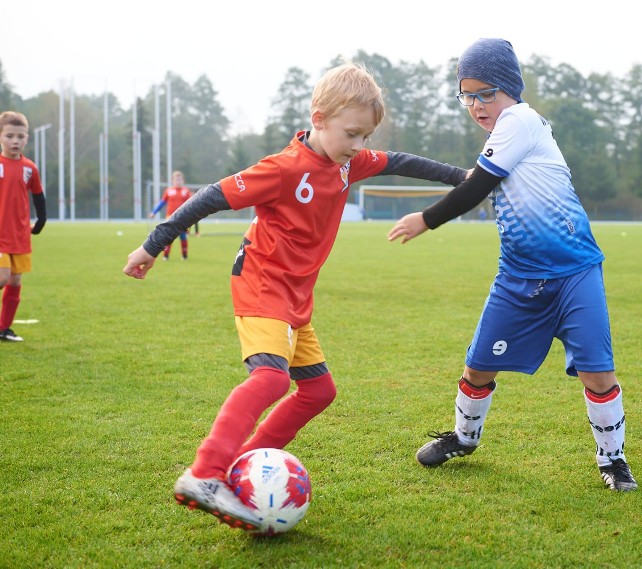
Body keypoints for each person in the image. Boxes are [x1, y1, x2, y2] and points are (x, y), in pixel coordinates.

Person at [123, 63, 468, 530]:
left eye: (365, 136)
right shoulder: (283, 168)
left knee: (319, 390)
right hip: (262, 282)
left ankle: (239, 466)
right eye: (351, 133)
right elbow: (211, 196)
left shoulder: (349, 163)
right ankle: (203, 474)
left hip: (295, 297)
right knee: (271, 380)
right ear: (319, 118)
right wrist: (152, 245)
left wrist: (464, 176)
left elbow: (402, 162)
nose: (358, 146)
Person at [388, 38, 638, 492]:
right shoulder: (506, 136)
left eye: (488, 93)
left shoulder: (519, 120)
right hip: (518, 277)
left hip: (574, 272)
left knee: (598, 372)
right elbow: (475, 178)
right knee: (478, 367)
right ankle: (464, 439)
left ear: (511, 89)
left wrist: (425, 219)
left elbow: (475, 188)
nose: (478, 104)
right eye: (468, 94)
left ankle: (613, 460)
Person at [0, 111, 46, 343]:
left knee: (15, 281)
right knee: (2, 277)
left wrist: (41, 220)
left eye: (20, 136)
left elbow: (38, 196)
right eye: (9, 136)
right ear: (1, 137)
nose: (15, 141)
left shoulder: (30, 168)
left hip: (19, 234)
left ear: (27, 138)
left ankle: (4, 329)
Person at [149, 170, 193, 260]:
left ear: (183, 181)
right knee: (168, 237)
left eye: (180, 180)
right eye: (176, 180)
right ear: (173, 181)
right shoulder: (169, 191)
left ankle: (184, 256)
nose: (178, 182)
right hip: (170, 217)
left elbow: (192, 204)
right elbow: (162, 203)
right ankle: (166, 256)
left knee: (183, 236)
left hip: (183, 218)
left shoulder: (186, 191)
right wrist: (154, 212)